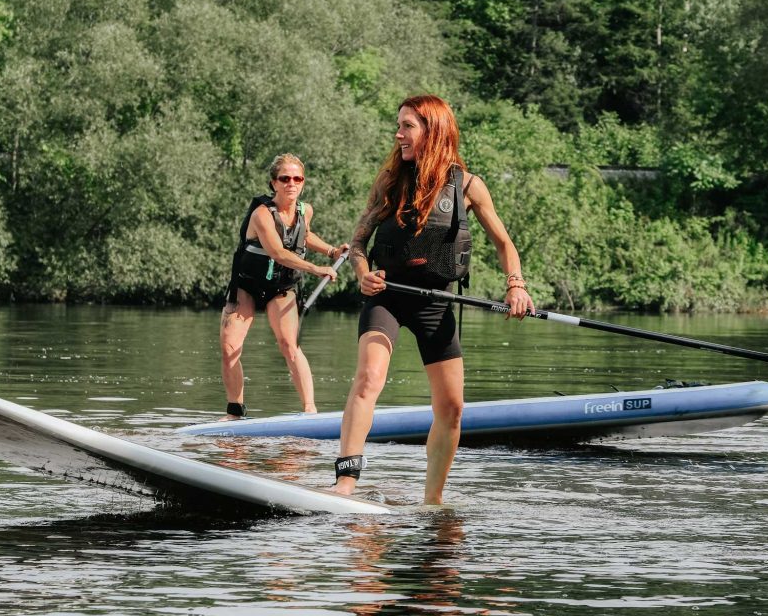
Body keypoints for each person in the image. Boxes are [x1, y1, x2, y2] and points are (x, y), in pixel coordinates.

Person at [333, 95, 534, 504]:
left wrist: (516, 285)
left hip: (435, 302)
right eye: (399, 125)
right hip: (387, 296)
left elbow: (505, 243)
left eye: (407, 125)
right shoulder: (390, 179)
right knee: (369, 378)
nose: (398, 134)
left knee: (453, 408)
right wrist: (361, 274)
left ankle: (432, 500)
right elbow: (357, 243)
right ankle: (345, 483)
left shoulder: (470, 186)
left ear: (433, 130)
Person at [220, 153, 349, 420]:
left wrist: (332, 251)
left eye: (297, 178)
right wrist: (316, 268)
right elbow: (278, 252)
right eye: (285, 178)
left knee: (290, 346)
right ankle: (235, 412)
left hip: (281, 287)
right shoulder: (261, 215)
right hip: (247, 285)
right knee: (229, 347)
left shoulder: (305, 210)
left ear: (303, 182)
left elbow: (305, 234)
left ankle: (310, 411)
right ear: (274, 183)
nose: (292, 183)